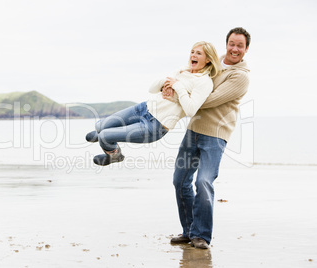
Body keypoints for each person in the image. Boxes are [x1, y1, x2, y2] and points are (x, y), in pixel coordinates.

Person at [170, 27, 251, 249]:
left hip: (215, 136)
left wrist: (181, 93)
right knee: (180, 181)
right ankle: (188, 231)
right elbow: (189, 80)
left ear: (245, 49)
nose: (235, 49)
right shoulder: (212, 66)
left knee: (203, 182)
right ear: (226, 44)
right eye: (232, 44)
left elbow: (208, 99)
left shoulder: (240, 77)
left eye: (240, 46)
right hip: (193, 130)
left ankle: (201, 236)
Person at [85, 41, 222, 166]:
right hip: (143, 108)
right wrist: (165, 84)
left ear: (208, 59)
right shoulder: (182, 70)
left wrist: (178, 87)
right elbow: (152, 89)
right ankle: (104, 134)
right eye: (192, 52)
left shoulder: (204, 82)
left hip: (155, 125)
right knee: (100, 126)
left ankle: (114, 155)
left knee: (104, 136)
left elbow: (191, 110)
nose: (193, 55)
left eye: (199, 53)